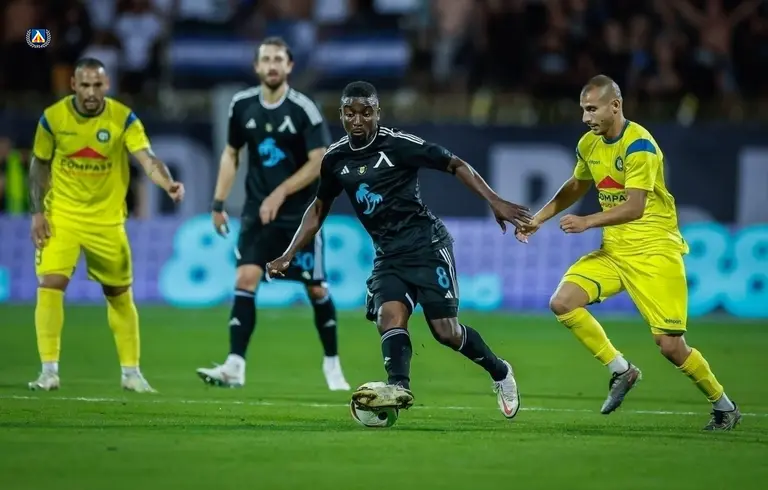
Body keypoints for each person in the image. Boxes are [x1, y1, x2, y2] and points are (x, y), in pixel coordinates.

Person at [267, 81, 530, 419]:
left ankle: (500, 371)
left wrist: (494, 201)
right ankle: (398, 387)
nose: (358, 120)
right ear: (342, 115)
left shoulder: (398, 145)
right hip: (388, 256)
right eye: (350, 113)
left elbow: (455, 164)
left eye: (366, 112)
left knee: (446, 332)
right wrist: (289, 253)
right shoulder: (335, 159)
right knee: (388, 317)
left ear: (377, 112)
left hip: (428, 247)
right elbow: (319, 208)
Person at [516, 74, 740, 431]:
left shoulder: (640, 146)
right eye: (583, 109)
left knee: (670, 346)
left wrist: (587, 221)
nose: (585, 117)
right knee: (563, 302)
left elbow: (635, 207)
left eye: (592, 109)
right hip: (615, 252)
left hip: (654, 252)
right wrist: (538, 219)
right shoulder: (589, 144)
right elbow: (577, 184)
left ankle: (724, 406)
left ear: (615, 106)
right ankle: (621, 370)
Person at [196, 37, 350, 391]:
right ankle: (235, 366)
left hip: (300, 216)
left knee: (316, 289)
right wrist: (218, 203)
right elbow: (231, 153)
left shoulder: (303, 109)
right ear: (256, 67)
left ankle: (332, 365)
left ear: (289, 66)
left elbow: (319, 160)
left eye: (278, 59)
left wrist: (280, 192)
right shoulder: (242, 105)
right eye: (266, 59)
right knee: (245, 279)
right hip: (258, 212)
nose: (272, 65)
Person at [28, 57, 185, 392]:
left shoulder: (123, 118)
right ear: (73, 85)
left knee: (118, 293)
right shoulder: (53, 118)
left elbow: (147, 159)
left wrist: (167, 183)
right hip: (63, 217)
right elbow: (39, 164)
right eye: (84, 85)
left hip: (107, 221)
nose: (91, 92)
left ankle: (132, 373)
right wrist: (37, 212)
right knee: (51, 283)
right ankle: (48, 371)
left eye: (97, 85)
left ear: (107, 85)